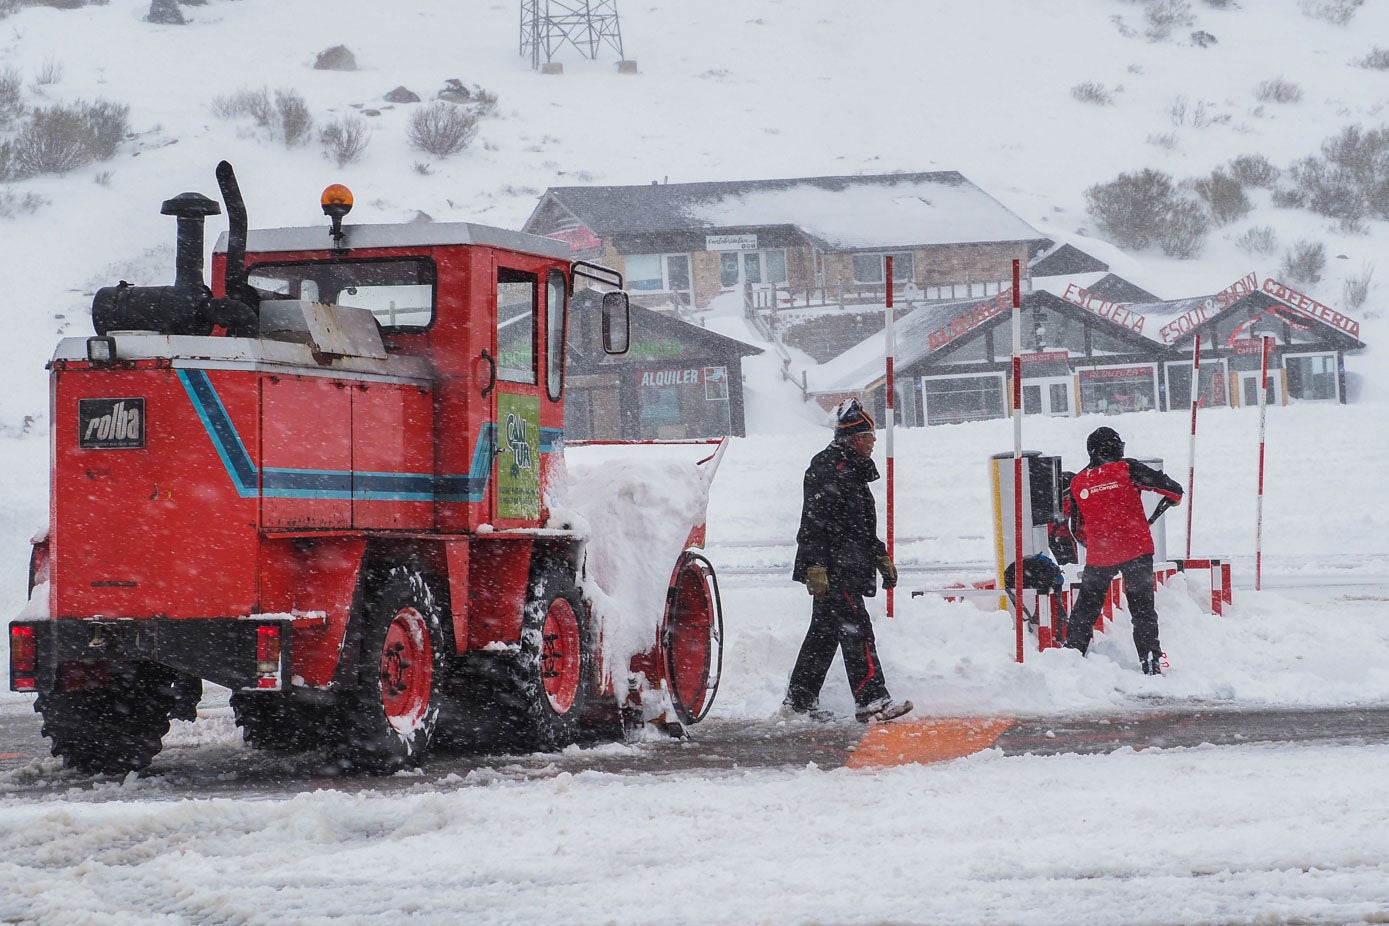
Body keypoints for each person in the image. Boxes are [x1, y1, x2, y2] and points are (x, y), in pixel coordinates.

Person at [784, 398, 912, 723]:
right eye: (870, 436)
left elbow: (860, 525)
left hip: (847, 564)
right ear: (856, 437)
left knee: (824, 635)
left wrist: (880, 555)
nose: (873, 442)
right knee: (856, 630)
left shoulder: (852, 470)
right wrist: (816, 566)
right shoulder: (828, 468)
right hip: (834, 568)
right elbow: (813, 521)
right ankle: (873, 702)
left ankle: (799, 702)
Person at [1064, 426, 1183, 675]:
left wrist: (1099, 541)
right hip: (1136, 549)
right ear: (1118, 447)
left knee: (1086, 609)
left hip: (1100, 555)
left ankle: (1071, 657)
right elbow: (1173, 491)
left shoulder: (1077, 482)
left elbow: (1077, 529)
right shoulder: (1128, 468)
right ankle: (1151, 661)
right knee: (1142, 611)